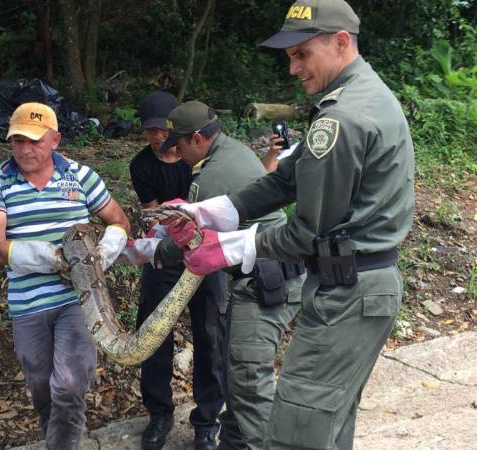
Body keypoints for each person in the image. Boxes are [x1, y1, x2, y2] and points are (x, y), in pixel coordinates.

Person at [168, 1, 415, 448]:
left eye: (302, 54)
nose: (292, 69)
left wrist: (223, 248)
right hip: (358, 287)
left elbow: (306, 233)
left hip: (348, 293)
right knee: (329, 429)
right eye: (289, 57)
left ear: (341, 42)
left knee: (296, 435)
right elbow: (285, 178)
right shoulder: (358, 96)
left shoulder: (341, 119)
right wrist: (206, 213)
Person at [0, 102, 130, 449]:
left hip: (77, 300)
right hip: (28, 304)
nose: (25, 150)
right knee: (43, 387)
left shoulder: (81, 177)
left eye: (34, 141)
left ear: (55, 140)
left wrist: (102, 254)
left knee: (70, 384)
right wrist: (54, 258)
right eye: (17, 141)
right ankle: (56, 438)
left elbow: (119, 221)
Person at [151, 101, 304, 450]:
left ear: (198, 138)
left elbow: (191, 239)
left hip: (264, 283)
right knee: (237, 379)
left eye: (179, 144)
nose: (176, 152)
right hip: (263, 278)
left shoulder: (213, 175)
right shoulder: (234, 150)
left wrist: (154, 253)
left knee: (249, 386)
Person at [129, 92, 227, 450]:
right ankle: (159, 413)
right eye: (149, 131)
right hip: (167, 253)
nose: (156, 137)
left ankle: (207, 419)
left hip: (206, 252)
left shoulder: (198, 157)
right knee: (154, 333)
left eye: (161, 129)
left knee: (211, 334)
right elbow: (156, 216)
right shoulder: (142, 166)